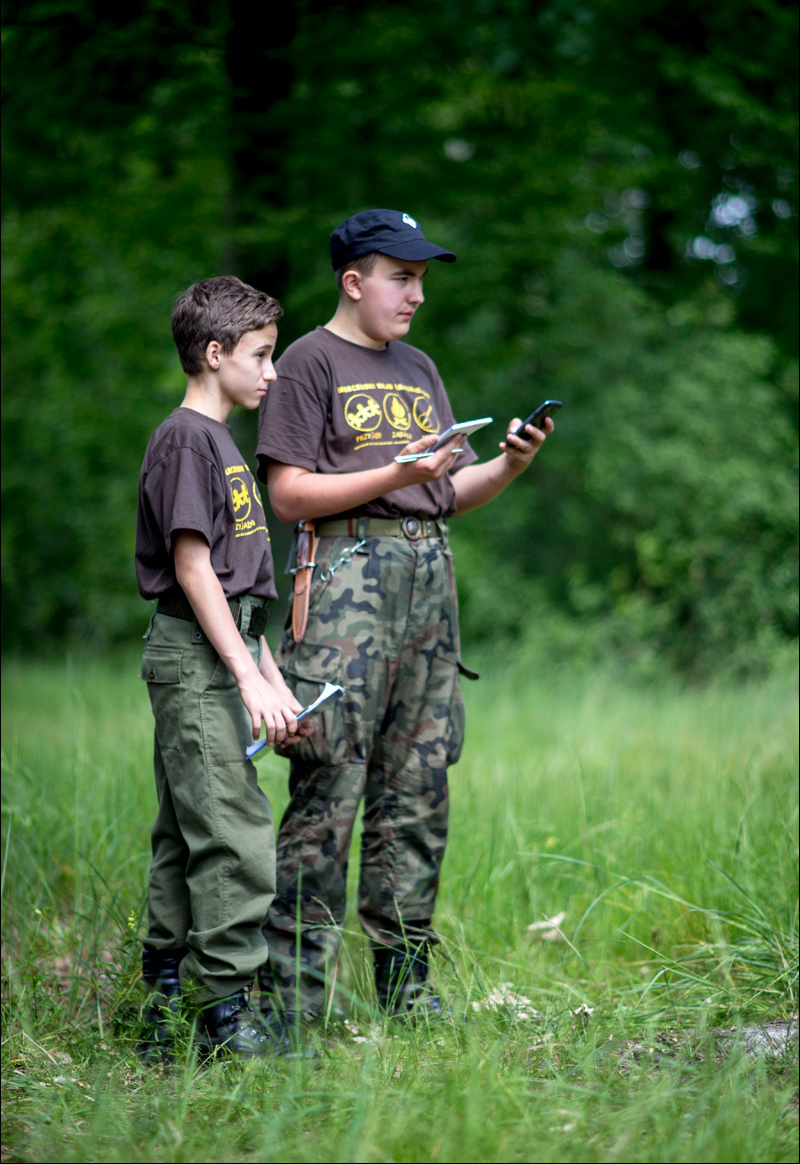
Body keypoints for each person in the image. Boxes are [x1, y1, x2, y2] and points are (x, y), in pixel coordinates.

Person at [255, 209, 553, 1026]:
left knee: (418, 788)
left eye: (421, 279)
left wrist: (510, 466)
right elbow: (289, 494)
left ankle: (407, 992)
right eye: (402, 278)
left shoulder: (418, 367)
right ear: (354, 282)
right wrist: (394, 473)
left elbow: (443, 493)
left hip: (428, 583)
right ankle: (292, 1005)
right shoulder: (308, 361)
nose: (417, 294)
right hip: (346, 585)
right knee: (329, 785)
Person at [134, 275, 311, 1061]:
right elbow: (194, 568)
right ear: (214, 354)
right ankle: (223, 1016)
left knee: (188, 828)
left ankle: (165, 1006)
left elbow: (243, 593)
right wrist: (243, 677)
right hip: (196, 658)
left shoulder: (221, 446)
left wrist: (272, 683)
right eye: (261, 355)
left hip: (223, 650)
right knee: (235, 834)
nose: (272, 372)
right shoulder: (185, 439)